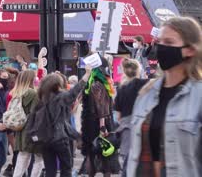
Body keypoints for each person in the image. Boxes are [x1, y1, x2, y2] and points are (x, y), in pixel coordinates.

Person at [127, 16, 202, 177]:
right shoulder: (146, 93)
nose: (161, 47)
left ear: (189, 50)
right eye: (160, 41)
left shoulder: (198, 96)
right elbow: (133, 153)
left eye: (169, 42)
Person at [37, 70, 90, 177]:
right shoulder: (60, 97)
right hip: (59, 138)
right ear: (57, 85)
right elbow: (74, 92)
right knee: (66, 167)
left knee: (50, 169)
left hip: (44, 139)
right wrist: (87, 74)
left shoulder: (42, 97)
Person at [80, 56, 120, 177]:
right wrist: (103, 125)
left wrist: (102, 126)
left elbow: (100, 105)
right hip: (101, 123)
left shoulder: (93, 84)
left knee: (93, 155)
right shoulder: (102, 84)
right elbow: (103, 106)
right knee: (104, 156)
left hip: (93, 124)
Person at [114, 58, 149, 177]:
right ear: (138, 70)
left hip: (126, 128)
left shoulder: (121, 88)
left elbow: (118, 115)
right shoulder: (145, 84)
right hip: (142, 125)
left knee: (126, 162)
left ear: (124, 71)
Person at [6, 70, 43, 177]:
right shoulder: (34, 93)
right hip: (33, 131)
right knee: (39, 158)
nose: (36, 79)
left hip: (20, 130)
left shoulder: (16, 93)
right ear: (31, 80)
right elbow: (34, 114)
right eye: (35, 77)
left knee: (22, 158)